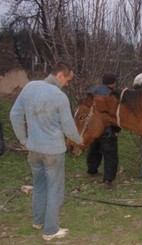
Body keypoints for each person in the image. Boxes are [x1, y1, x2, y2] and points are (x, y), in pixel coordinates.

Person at [9, 61, 83, 241]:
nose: (67, 83)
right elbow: (68, 127)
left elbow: (15, 114)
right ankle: (50, 230)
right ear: (59, 76)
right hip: (53, 151)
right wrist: (80, 141)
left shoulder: (30, 87)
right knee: (54, 189)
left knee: (39, 184)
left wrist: (23, 140)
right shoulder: (59, 96)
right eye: (67, 79)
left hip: (33, 150)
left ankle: (38, 221)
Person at [86, 72, 121, 188]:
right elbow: (115, 114)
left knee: (94, 149)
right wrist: (117, 129)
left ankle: (92, 169)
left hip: (93, 128)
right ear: (114, 83)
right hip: (108, 129)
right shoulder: (112, 95)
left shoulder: (91, 92)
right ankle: (108, 179)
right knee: (110, 154)